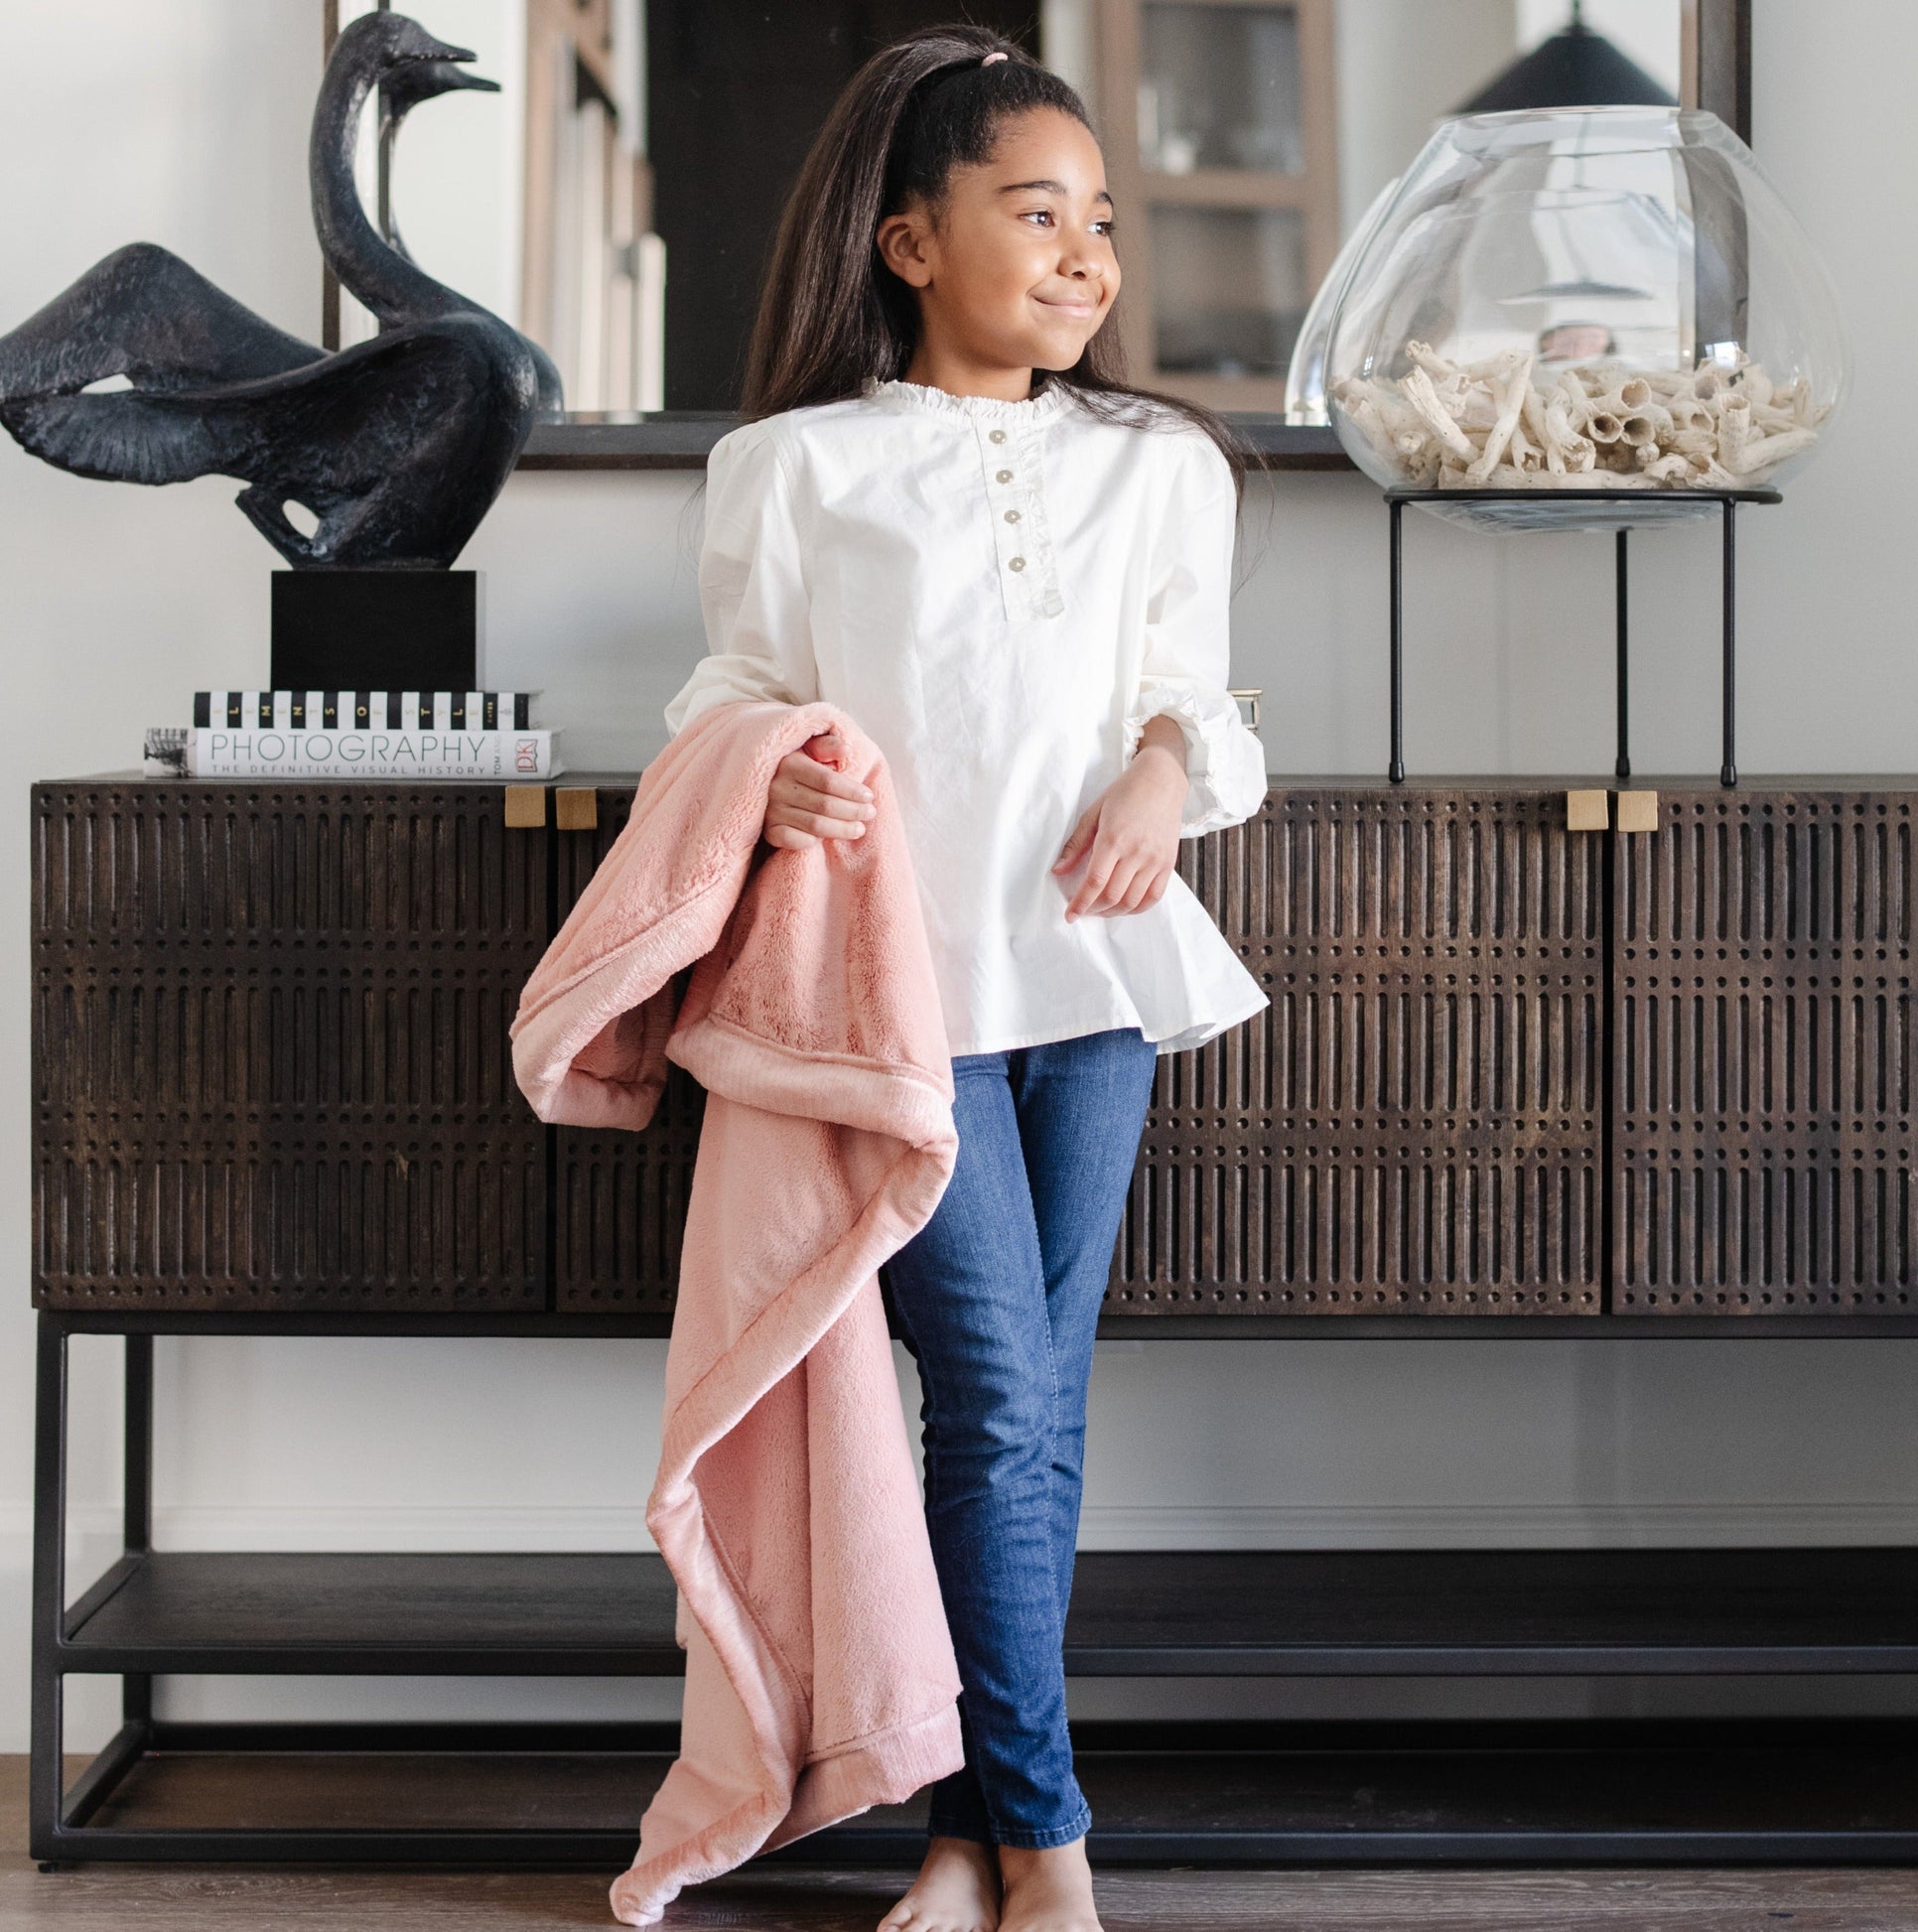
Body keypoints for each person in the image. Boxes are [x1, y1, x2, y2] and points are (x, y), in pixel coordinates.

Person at [660, 26, 1271, 1932]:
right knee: (1002, 1393)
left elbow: (1208, 713)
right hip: (901, 1005)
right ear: (910, 242)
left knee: (1028, 1409)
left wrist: (1168, 771)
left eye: (1100, 218)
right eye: (1036, 210)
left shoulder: (1162, 469)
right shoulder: (792, 467)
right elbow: (727, 700)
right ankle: (1055, 1845)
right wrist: (786, 779)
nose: (1085, 252)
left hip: (1092, 985)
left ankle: (962, 1829)